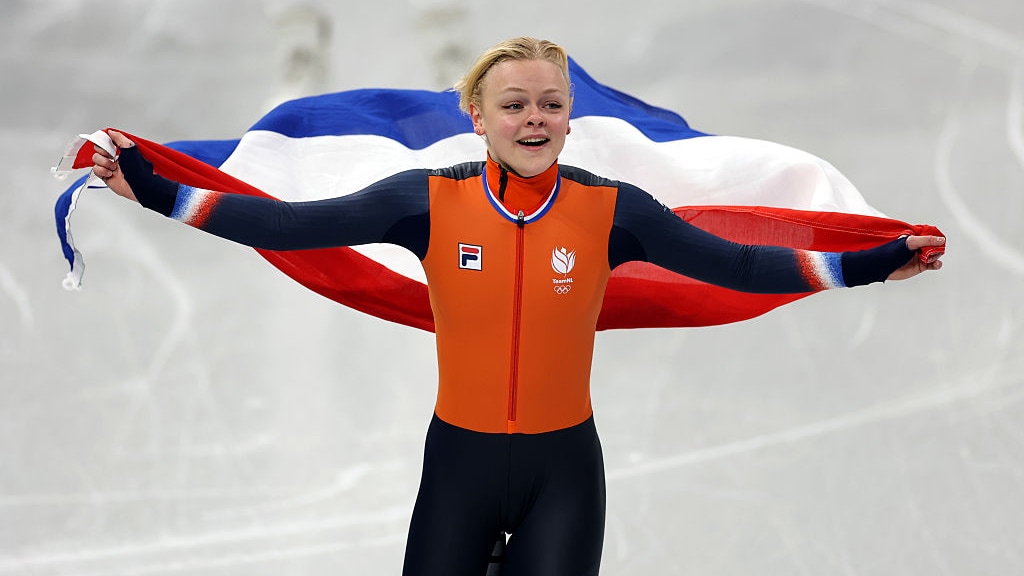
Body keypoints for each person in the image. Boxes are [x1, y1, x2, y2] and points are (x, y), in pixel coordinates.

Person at [90, 37, 944, 576]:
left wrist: (871, 265)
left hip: (563, 476)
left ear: (570, 119)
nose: (534, 118)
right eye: (515, 104)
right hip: (458, 469)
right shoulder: (424, 200)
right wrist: (153, 188)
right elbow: (287, 222)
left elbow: (741, 265)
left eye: (551, 104)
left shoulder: (616, 211)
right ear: (478, 117)